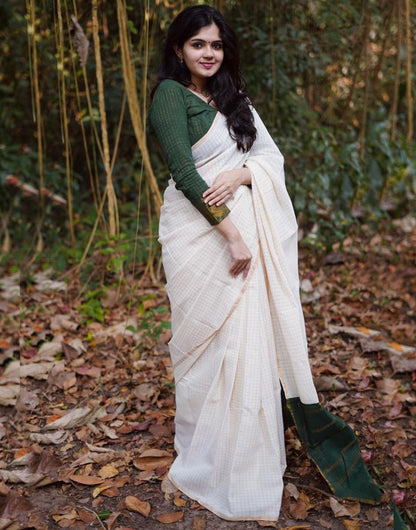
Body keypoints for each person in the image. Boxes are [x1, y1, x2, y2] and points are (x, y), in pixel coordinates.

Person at [148, 5, 380, 522]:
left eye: (216, 45)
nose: (208, 54)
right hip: (203, 237)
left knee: (248, 343)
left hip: (244, 230)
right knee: (204, 343)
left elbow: (269, 159)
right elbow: (186, 173)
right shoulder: (169, 96)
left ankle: (249, 453)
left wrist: (245, 175)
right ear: (178, 50)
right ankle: (207, 453)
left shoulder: (235, 101)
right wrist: (231, 235)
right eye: (197, 45)